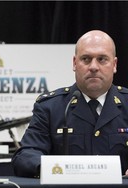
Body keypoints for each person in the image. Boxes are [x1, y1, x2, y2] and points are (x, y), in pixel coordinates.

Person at [12, 30, 128, 177]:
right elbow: (25, 155)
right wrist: (50, 169)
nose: (93, 67)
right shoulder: (50, 107)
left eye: (102, 59)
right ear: (74, 63)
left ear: (114, 64)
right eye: (86, 59)